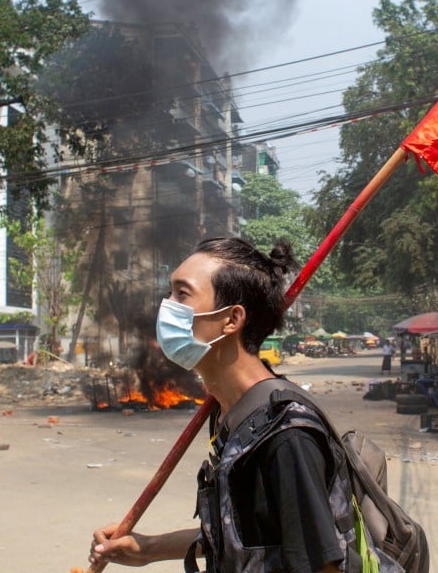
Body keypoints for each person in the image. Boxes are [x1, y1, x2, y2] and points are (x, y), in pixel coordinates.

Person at [88, 237, 355, 572]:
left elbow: (321, 565)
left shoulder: (286, 435)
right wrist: (148, 548)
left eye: (181, 294)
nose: (167, 306)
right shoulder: (231, 415)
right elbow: (243, 535)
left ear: (232, 319)